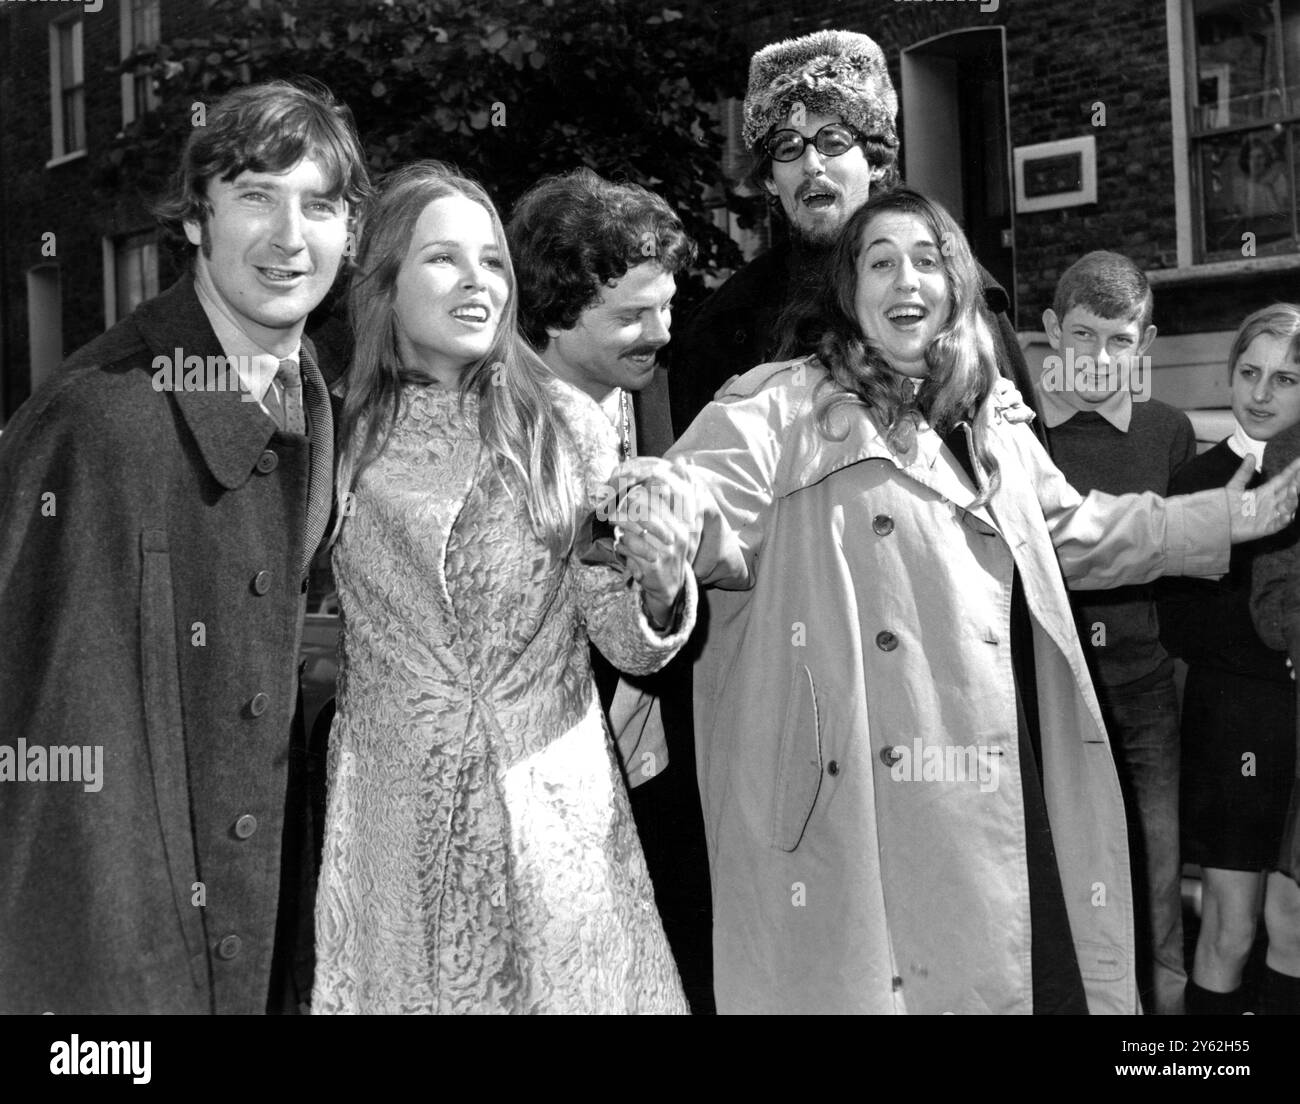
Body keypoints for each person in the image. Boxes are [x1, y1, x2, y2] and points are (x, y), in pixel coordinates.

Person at [615, 186, 1300, 1014]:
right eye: (881, 262)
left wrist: (1233, 512)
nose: (906, 279)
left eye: (927, 260)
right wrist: (660, 511)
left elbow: (1075, 534)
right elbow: (698, 499)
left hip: (992, 769)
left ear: (955, 288)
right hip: (857, 789)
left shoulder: (988, 416)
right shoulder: (781, 403)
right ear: (848, 290)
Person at [0, 80, 369, 1014]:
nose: (291, 238)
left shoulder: (312, 398)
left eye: (319, 205)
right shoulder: (92, 419)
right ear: (196, 222)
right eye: (256, 197)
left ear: (351, 235)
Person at [310, 162, 697, 1014]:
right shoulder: (336, 430)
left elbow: (628, 643)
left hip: (552, 813)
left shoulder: (563, 424)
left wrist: (664, 585)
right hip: (395, 817)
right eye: (444, 259)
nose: (478, 281)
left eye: (492, 261)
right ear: (385, 283)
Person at [506, 168, 714, 1011]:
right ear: (556, 307)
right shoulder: (520, 423)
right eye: (630, 314)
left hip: (658, 766)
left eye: (665, 306)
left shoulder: (657, 392)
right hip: (551, 773)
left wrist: (667, 588)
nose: (659, 332)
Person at [668, 29, 1043, 444]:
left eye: (833, 140)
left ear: (876, 161)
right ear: (771, 180)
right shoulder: (726, 325)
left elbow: (1026, 478)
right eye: (787, 146)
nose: (812, 163)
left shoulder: (951, 287)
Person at [1038, 251, 1195, 1014]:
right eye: (1082, 336)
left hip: (1146, 688)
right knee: (1067, 875)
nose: (1099, 360)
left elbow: (1189, 567)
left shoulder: (1169, 431)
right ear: (1049, 334)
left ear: (1147, 342)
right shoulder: (1022, 433)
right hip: (1053, 695)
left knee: (1158, 868)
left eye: (1120, 340)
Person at [1174, 304, 1300, 1017]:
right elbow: (1180, 622)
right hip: (1235, 725)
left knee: (1293, 925)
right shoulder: (1197, 480)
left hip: (1296, 726)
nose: (1262, 392)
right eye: (1249, 372)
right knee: (1230, 926)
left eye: (1286, 377)